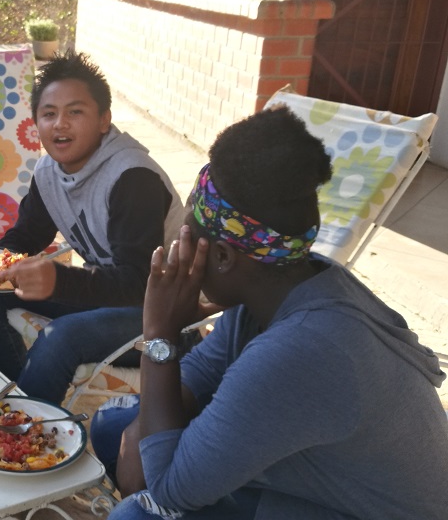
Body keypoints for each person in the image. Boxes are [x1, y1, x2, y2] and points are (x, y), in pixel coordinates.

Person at [93, 107, 448, 519]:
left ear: (223, 257)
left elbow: (167, 488)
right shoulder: (280, 284)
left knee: (137, 515)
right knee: (113, 427)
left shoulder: (300, 348)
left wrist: (160, 332)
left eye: (187, 235)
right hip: (325, 490)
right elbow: (200, 373)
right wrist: (145, 435)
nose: (178, 247)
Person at [0, 50, 184, 405]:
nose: (60, 124)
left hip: (161, 315)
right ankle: (19, 399)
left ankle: (26, 422)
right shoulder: (49, 172)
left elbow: (138, 282)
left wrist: (59, 280)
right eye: (49, 114)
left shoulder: (133, 178)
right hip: (104, 297)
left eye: (75, 112)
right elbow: (28, 234)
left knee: (61, 337)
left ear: (103, 120)